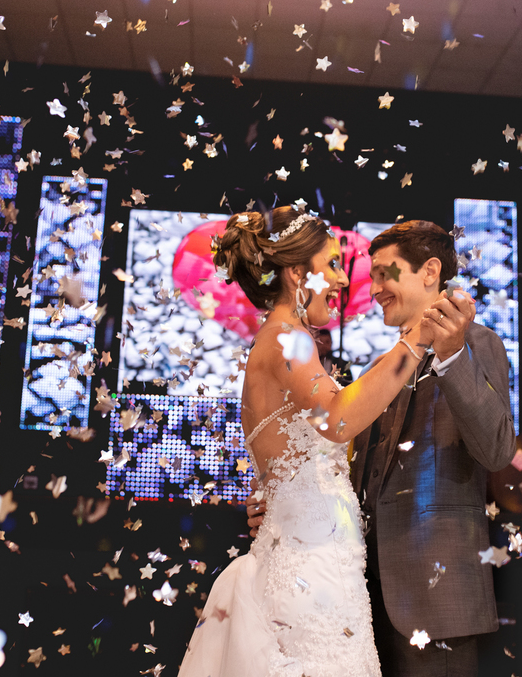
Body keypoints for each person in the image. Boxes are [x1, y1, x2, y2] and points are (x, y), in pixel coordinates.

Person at [249, 220, 516, 676]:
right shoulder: (382, 369)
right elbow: (354, 470)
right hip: (362, 599)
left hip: (438, 602)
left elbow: (495, 450)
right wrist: (284, 500)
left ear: (429, 271)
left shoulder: (477, 343)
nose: (370, 289)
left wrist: (451, 356)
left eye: (383, 274)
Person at [178, 205, 435, 677]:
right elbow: (338, 421)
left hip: (319, 564)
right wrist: (416, 341)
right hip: (308, 576)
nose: (341, 280)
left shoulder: (287, 342)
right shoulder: (284, 341)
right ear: (297, 273)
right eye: (332, 265)